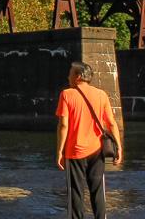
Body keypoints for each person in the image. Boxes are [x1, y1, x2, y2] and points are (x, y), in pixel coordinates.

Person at [56, 61, 122, 219]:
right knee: (98, 191)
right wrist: (119, 147)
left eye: (70, 73)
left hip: (74, 152)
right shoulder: (101, 95)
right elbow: (111, 123)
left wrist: (59, 151)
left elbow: (63, 125)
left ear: (78, 77)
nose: (68, 76)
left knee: (76, 193)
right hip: (96, 150)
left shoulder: (66, 94)